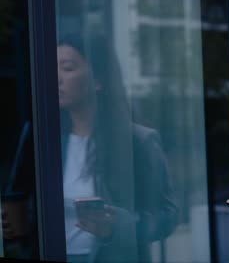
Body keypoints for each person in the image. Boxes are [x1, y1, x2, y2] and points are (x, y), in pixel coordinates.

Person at [57, 33, 178, 262]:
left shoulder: (138, 141)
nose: (57, 79)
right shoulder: (43, 141)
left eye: (68, 68)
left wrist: (118, 225)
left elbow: (167, 217)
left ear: (98, 80)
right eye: (52, 69)